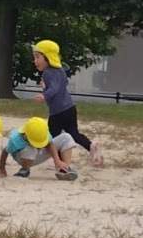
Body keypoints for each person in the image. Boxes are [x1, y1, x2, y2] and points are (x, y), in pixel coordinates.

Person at [32, 39, 103, 167]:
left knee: (51, 137)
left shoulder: (48, 72)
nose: (35, 61)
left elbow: (54, 89)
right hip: (70, 108)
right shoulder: (60, 70)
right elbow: (60, 85)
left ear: (47, 57)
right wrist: (45, 87)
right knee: (73, 134)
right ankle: (91, 146)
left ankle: (57, 161)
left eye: (37, 57)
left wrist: (44, 94)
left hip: (57, 112)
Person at [0, 117, 77, 181]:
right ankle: (24, 170)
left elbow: (50, 143)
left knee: (66, 137)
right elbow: (5, 152)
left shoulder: (42, 130)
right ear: (26, 135)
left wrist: (57, 160)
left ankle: (64, 170)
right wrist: (2, 169)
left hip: (38, 153)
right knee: (31, 148)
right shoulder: (15, 139)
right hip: (22, 157)